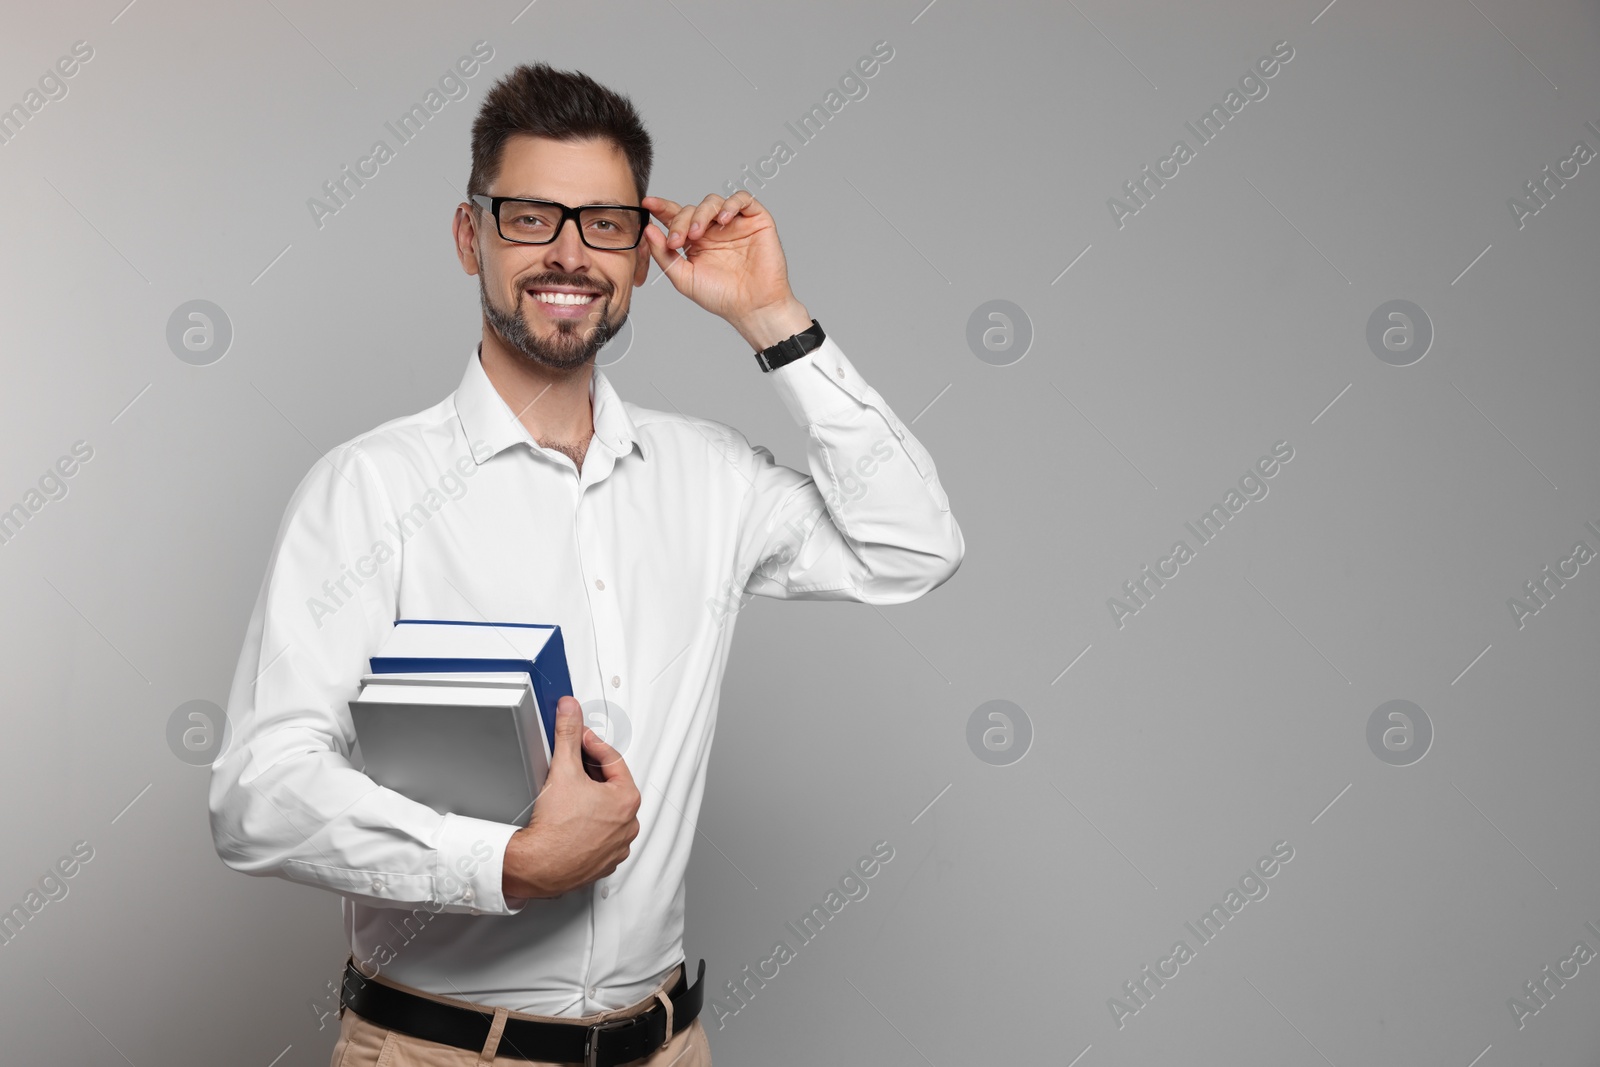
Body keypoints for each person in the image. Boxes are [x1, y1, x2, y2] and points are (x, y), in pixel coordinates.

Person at [208, 61, 963, 1066]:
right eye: (531, 217)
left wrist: (770, 317)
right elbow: (258, 794)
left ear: (644, 251)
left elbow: (912, 544)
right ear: (470, 235)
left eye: (603, 222)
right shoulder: (369, 489)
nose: (568, 253)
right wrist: (505, 863)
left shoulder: (711, 477)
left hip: (666, 1046)